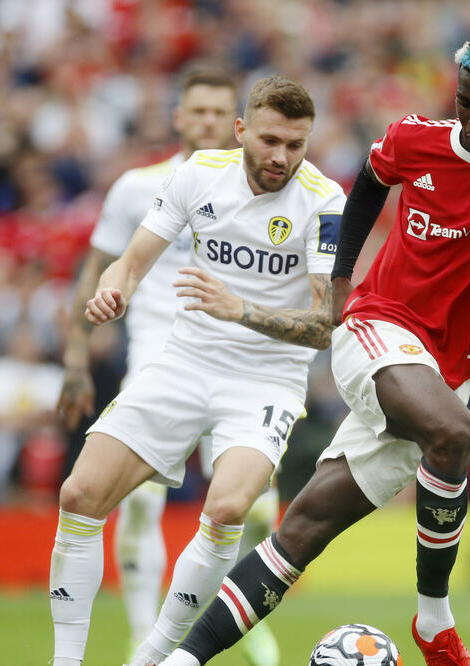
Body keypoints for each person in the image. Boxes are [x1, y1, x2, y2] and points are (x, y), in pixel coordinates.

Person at [160, 31, 470, 666]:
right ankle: (435, 623)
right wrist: (340, 287)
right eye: (467, 103)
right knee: (453, 434)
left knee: (304, 529)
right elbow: (369, 182)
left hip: (444, 372)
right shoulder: (414, 138)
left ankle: (176, 661)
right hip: (377, 328)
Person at [48, 75, 345, 666]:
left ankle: (154, 657)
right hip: (184, 360)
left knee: (230, 507)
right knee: (79, 494)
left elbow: (324, 323)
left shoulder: (326, 202)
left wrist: (242, 310)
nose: (281, 157)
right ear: (241, 131)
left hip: (265, 379)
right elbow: (127, 264)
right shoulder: (196, 174)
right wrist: (114, 295)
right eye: (269, 141)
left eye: (295, 145)